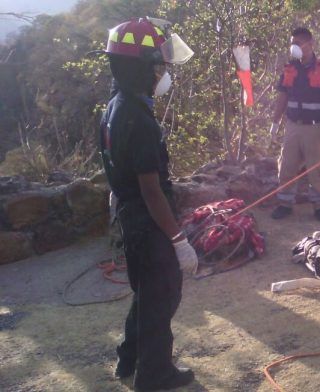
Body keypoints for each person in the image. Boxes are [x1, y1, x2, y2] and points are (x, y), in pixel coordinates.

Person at [97, 17, 198, 391]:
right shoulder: (139, 119)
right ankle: (154, 374)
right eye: (157, 67)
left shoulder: (114, 107)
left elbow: (116, 168)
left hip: (130, 216)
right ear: (138, 68)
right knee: (162, 295)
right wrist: (178, 240)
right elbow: (151, 190)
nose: (162, 75)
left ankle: (129, 357)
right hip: (147, 220)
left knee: (146, 294)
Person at [269, 27, 320, 222]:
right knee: (287, 166)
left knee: (316, 169)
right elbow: (282, 97)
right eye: (292, 43)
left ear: (310, 44)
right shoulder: (289, 68)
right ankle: (285, 204)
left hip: (315, 127)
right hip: (293, 126)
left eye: (298, 43)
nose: (294, 47)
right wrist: (275, 122)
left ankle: (319, 206)